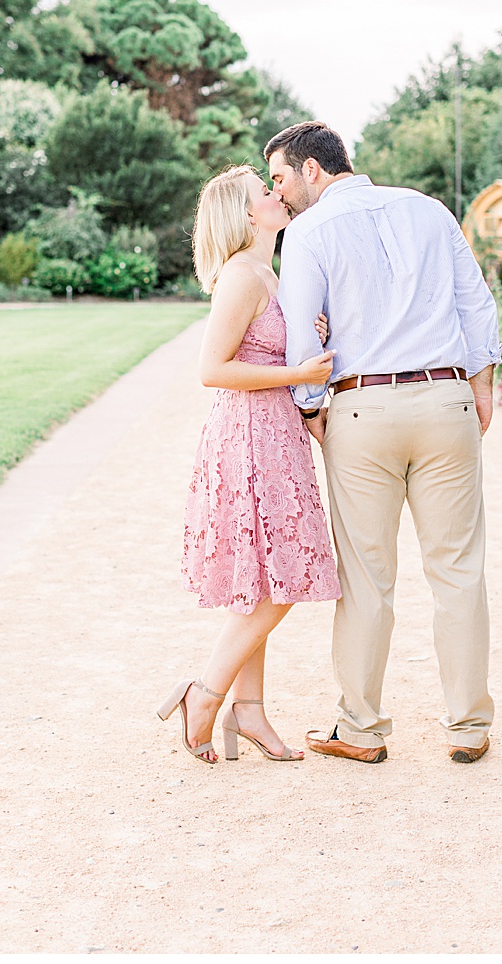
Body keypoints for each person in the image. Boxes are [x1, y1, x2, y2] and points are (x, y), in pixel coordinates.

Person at [267, 121, 502, 765]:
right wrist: (481, 385)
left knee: (366, 578)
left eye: (281, 178)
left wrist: (312, 407)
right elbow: (476, 306)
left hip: (362, 407)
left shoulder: (308, 232)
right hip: (445, 397)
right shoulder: (429, 210)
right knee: (457, 569)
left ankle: (361, 729)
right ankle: (468, 726)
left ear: (313, 169)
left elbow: (299, 333)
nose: (278, 193)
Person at [158, 165, 340, 765]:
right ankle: (206, 694)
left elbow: (275, 344)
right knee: (285, 580)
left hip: (275, 434)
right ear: (244, 213)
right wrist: (298, 372)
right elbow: (212, 369)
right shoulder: (240, 276)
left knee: (259, 579)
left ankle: (251, 711)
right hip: (249, 439)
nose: (277, 194)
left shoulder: (269, 271)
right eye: (265, 192)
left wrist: (311, 335)